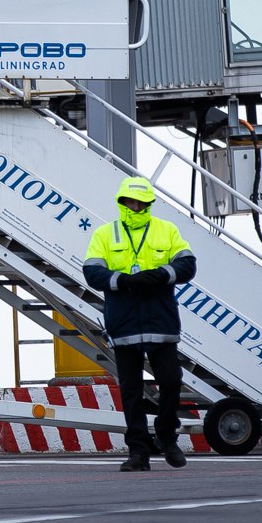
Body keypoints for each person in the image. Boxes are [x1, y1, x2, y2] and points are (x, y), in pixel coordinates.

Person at [83, 176, 197, 472]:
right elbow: (92, 273)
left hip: (161, 321)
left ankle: (166, 435)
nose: (135, 206)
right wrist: (124, 280)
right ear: (122, 201)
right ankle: (138, 453)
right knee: (131, 392)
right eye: (130, 201)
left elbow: (188, 265)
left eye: (141, 202)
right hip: (125, 322)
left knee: (171, 382)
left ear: (148, 203)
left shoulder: (166, 230)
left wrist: (162, 274)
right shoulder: (105, 234)